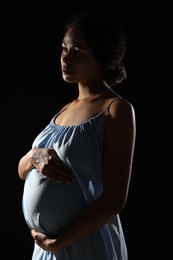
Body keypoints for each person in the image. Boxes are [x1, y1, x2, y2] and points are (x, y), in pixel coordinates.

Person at [18, 8, 136, 260]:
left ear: (101, 57)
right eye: (64, 49)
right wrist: (34, 155)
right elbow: (21, 170)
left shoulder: (115, 109)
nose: (65, 58)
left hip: (83, 245)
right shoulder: (64, 111)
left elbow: (114, 200)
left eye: (77, 51)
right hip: (47, 248)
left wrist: (60, 241)